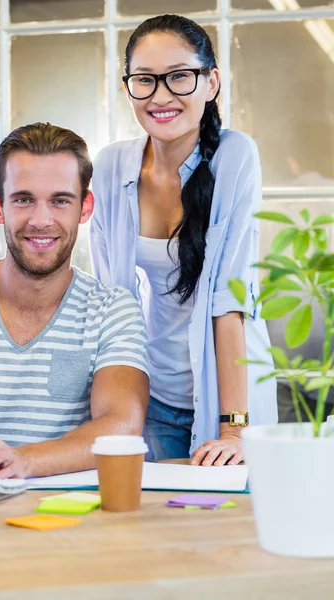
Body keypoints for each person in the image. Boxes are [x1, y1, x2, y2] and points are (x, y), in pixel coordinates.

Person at [90, 14, 277, 466]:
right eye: (145, 80)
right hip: (149, 395)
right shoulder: (112, 165)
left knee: (224, 527)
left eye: (179, 77)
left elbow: (228, 300)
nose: (161, 96)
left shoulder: (234, 155)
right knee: (146, 526)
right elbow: (108, 302)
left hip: (230, 397)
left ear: (211, 82)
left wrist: (233, 430)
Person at [0, 122, 149, 479]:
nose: (41, 221)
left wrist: (22, 461)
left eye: (60, 201)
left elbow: (121, 424)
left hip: (68, 520)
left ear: (85, 208)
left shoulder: (111, 311)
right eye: (24, 199)